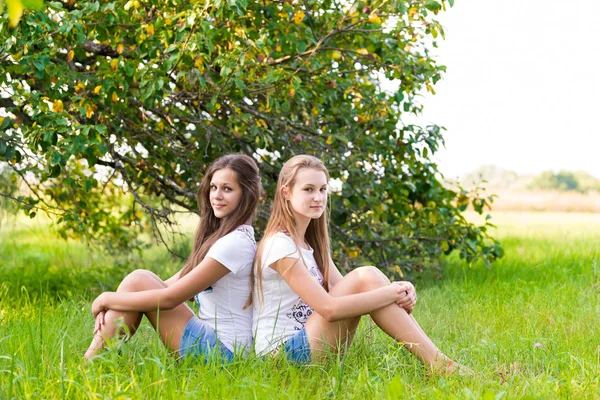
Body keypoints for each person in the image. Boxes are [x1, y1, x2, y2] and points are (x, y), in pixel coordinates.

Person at [251, 155, 470, 374]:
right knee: (366, 276)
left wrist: (398, 291)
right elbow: (329, 309)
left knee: (369, 278)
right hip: (280, 358)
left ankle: (440, 363)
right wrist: (392, 293)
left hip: (307, 344)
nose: (318, 197)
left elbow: (345, 289)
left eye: (323, 189)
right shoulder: (279, 244)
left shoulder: (311, 244)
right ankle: (439, 364)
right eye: (308, 189)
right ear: (286, 193)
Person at [84, 154, 262, 361]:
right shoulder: (229, 239)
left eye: (227, 189)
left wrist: (106, 299)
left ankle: (90, 363)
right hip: (218, 346)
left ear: (246, 194)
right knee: (138, 282)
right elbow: (165, 288)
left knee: (138, 279)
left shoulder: (234, 244)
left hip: (224, 354)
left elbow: (170, 299)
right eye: (213, 187)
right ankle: (93, 360)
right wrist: (116, 302)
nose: (217, 195)